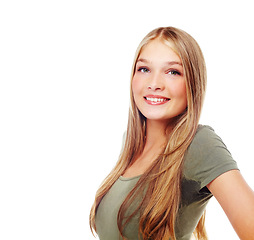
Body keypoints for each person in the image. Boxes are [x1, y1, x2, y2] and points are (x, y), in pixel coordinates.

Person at [89, 27, 254, 240]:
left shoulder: (199, 144)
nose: (154, 84)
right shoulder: (130, 144)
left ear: (193, 84)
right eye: (144, 69)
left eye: (173, 72)